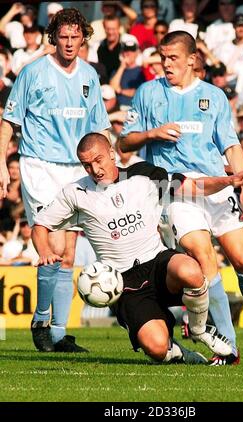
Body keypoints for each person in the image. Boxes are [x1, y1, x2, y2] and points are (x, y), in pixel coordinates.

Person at [120, 30, 243, 366]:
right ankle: (229, 348)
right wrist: (152, 134)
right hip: (177, 190)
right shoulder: (148, 93)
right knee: (203, 255)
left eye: (172, 58)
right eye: (162, 58)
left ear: (192, 60)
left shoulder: (214, 96)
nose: (165, 64)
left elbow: (231, 146)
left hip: (220, 185)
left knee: (242, 260)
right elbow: (124, 142)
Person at [31, 133, 243, 364]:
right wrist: (44, 251)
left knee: (191, 270)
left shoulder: (144, 175)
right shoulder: (76, 193)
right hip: (124, 284)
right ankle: (180, 353)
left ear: (111, 153)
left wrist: (229, 181)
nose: (95, 169)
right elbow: (40, 224)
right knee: (157, 349)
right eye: (87, 165)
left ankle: (199, 330)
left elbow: (192, 186)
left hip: (158, 264)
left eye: (98, 160)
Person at [0, 8, 111, 353]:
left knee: (70, 254)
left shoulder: (89, 76)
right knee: (56, 246)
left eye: (74, 37)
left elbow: (100, 125)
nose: (68, 43)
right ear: (53, 37)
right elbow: (9, 122)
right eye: (62, 37)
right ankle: (41, 320)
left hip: (77, 169)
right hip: (40, 165)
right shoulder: (33, 73)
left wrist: (110, 162)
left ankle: (57, 333)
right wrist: (2, 164)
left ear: (83, 38)